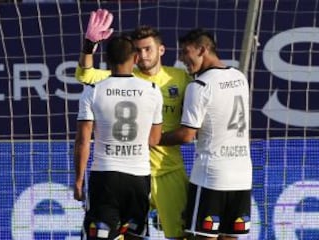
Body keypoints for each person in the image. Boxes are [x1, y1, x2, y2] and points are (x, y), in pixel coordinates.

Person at [76, 9, 192, 239]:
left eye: (148, 48)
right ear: (133, 57)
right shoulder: (128, 78)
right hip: (136, 170)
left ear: (161, 49)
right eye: (138, 50)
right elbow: (84, 74)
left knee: (180, 234)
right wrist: (89, 45)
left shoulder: (180, 78)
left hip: (168, 171)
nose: (143, 54)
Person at [159, 28, 252, 240]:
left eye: (185, 52)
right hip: (242, 175)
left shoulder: (199, 85)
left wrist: (153, 139)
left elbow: (186, 135)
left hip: (212, 176)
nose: (182, 59)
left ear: (202, 49)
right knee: (230, 237)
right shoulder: (239, 77)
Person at [73, 35, 163, 240]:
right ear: (135, 58)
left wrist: (78, 181)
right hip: (138, 178)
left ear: (107, 60)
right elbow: (154, 139)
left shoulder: (93, 91)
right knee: (135, 235)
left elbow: (82, 141)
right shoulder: (152, 90)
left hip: (105, 177)